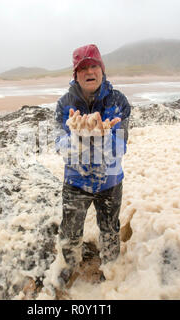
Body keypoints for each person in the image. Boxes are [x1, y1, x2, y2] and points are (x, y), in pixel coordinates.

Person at [54, 44, 131, 286]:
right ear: (75, 74)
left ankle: (111, 268)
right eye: (83, 67)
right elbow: (60, 146)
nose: (89, 71)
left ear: (102, 69)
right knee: (70, 233)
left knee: (110, 230)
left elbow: (121, 147)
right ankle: (70, 267)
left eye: (94, 65)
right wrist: (78, 137)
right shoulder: (65, 104)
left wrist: (103, 136)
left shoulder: (118, 102)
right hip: (76, 182)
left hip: (110, 180)